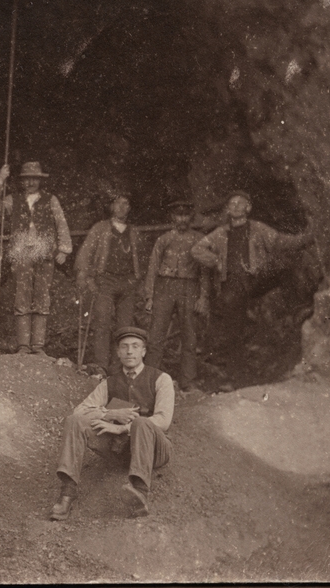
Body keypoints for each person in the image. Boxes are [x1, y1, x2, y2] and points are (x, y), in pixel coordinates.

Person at [50, 326, 174, 521]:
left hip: (155, 452)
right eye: (124, 347)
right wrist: (109, 414)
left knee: (142, 422)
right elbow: (79, 412)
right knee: (75, 421)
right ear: (118, 352)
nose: (129, 351)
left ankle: (140, 493)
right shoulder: (110, 383)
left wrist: (122, 427)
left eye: (135, 346)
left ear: (144, 351)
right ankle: (67, 493)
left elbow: (163, 420)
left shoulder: (161, 379)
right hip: (120, 451)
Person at [190, 190, 311, 356]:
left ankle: (297, 311)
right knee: (233, 317)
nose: (236, 206)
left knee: (285, 268)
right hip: (232, 283)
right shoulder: (220, 233)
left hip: (255, 279)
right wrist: (216, 261)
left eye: (240, 203)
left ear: (248, 208)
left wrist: (306, 238)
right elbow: (197, 249)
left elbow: (281, 241)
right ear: (227, 209)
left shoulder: (258, 228)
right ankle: (234, 356)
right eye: (232, 204)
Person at [0, 161, 72, 354]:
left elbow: (61, 223)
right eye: (27, 179)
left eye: (35, 179)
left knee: (42, 297)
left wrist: (64, 249)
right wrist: (0, 181)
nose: (31, 183)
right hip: (21, 252)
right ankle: (23, 345)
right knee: (22, 296)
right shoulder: (13, 200)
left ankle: (38, 346)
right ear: (21, 181)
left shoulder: (50, 200)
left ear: (40, 181)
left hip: (44, 252)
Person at [143, 200, 210, 387]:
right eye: (178, 215)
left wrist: (203, 297)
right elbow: (153, 267)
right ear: (172, 217)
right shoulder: (164, 239)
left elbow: (205, 272)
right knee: (156, 335)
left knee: (190, 336)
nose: (182, 219)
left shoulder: (199, 239)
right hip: (165, 287)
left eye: (185, 215)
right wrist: (149, 296)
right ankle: (149, 381)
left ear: (191, 217)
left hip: (190, 287)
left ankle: (188, 381)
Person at [75, 193, 140, 373]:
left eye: (125, 203)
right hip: (105, 281)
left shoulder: (134, 232)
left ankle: (119, 367)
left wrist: (137, 280)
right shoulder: (100, 228)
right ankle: (101, 365)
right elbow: (85, 253)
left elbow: (140, 258)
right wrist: (85, 276)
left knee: (125, 327)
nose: (121, 207)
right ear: (111, 206)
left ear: (129, 207)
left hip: (127, 282)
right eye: (117, 203)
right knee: (102, 321)